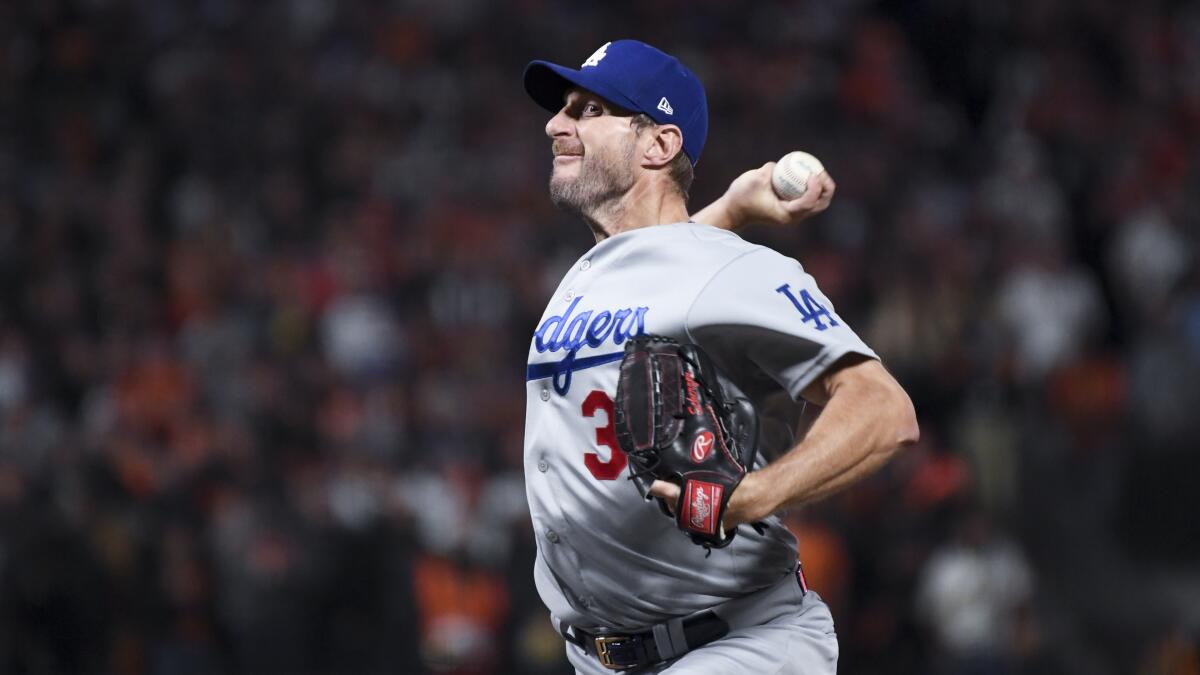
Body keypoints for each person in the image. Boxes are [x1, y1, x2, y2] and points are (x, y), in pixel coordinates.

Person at [521, 39, 919, 674]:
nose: (555, 124)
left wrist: (751, 496)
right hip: (602, 658)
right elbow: (670, 279)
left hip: (732, 647)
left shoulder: (735, 271)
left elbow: (884, 409)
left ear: (658, 145)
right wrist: (730, 208)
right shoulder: (603, 274)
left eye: (588, 110)